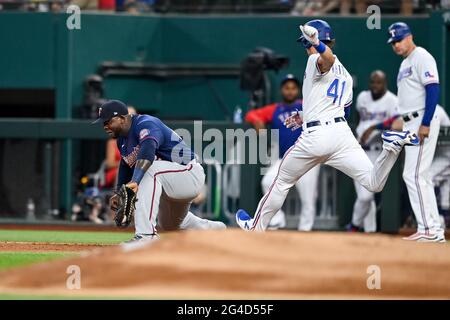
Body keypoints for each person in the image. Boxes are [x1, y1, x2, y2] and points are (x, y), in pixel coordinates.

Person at [235, 19, 419, 232]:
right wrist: (307, 114)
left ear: (312, 42)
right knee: (373, 183)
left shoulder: (316, 59)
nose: (304, 47)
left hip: (316, 135)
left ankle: (256, 227)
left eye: (305, 43)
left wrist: (316, 44)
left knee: (282, 180)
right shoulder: (347, 76)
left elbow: (327, 59)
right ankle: (391, 148)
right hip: (341, 134)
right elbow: (343, 111)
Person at [93, 100, 226, 244]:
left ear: (122, 118)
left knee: (149, 169)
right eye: (103, 123)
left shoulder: (146, 123)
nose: (105, 126)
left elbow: (148, 151)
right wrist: (118, 191)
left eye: (108, 121)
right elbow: (125, 164)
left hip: (189, 173)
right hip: (171, 182)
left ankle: (146, 235)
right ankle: (217, 230)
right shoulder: (122, 140)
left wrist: (135, 181)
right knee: (171, 224)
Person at [387, 22, 445, 242]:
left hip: (422, 118)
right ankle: (432, 228)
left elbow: (433, 88)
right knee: (421, 175)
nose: (396, 45)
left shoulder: (422, 56)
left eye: (399, 40)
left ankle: (429, 229)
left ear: (409, 36)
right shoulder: (404, 64)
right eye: (393, 42)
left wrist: (426, 122)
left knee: (413, 174)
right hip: (410, 121)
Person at [245, 74, 320, 231]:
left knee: (308, 199)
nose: (290, 91)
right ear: (281, 90)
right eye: (287, 88)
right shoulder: (275, 109)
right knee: (267, 182)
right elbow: (251, 114)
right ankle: (278, 219)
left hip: (308, 159)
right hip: (285, 158)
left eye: (293, 88)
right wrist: (257, 120)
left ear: (298, 90)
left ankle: (305, 230)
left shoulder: (306, 106)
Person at [347, 70, 400, 232]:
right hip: (360, 150)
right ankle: (359, 228)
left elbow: (398, 121)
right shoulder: (362, 96)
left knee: (368, 195)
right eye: (373, 82)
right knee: (365, 196)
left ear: (385, 84)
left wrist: (374, 127)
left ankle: (359, 227)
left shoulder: (392, 100)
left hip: (379, 152)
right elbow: (358, 118)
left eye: (379, 82)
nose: (375, 85)